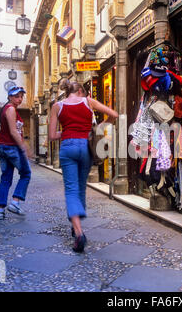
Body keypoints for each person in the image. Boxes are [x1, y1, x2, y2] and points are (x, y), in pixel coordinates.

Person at [49, 80, 118, 253]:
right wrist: (98, 127)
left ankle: (79, 232)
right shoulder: (89, 102)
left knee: (71, 189)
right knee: (80, 188)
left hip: (67, 147)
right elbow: (114, 115)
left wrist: (67, 132)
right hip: (85, 147)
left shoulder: (57, 106)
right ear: (80, 91)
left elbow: (51, 135)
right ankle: (76, 224)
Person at [0, 86, 31, 220]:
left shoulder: (9, 109)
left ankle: (0, 210)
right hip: (11, 148)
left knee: (6, 178)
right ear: (10, 97)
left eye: (21, 96)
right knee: (26, 173)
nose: (20, 99)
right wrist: (24, 147)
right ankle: (15, 202)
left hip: (4, 148)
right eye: (17, 96)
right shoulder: (10, 109)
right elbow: (13, 131)